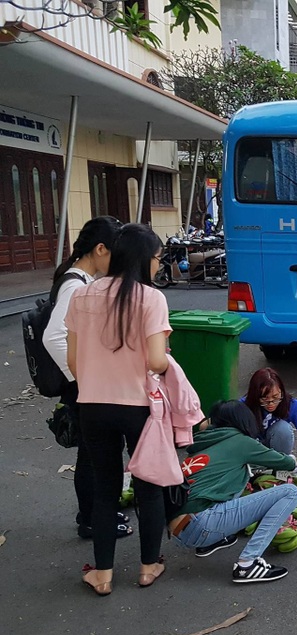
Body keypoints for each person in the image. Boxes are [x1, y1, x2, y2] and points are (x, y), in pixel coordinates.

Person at [66, 223, 172, 596]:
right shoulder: (151, 299)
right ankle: (148, 567)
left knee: (105, 489)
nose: (159, 265)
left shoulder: (83, 295)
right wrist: (165, 362)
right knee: (149, 487)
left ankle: (103, 574)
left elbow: (74, 362)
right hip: (138, 407)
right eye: (158, 258)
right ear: (144, 259)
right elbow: (156, 361)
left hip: (92, 407)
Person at [42, 216, 130, 540]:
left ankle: (94, 513)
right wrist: (82, 378)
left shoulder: (80, 279)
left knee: (93, 453)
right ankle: (92, 519)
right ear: (100, 249)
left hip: (85, 383)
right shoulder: (75, 285)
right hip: (84, 385)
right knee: (95, 455)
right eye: (115, 255)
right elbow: (53, 336)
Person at [168, 401, 297, 583]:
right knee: (291, 492)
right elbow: (286, 463)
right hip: (202, 525)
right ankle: (248, 564)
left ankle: (212, 543)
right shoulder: (240, 441)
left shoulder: (203, 442)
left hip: (178, 530)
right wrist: (296, 461)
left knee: (237, 473)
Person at [242, 368, 297, 471]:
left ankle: (280, 466)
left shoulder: (291, 404)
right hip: (253, 451)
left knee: (283, 428)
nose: (271, 404)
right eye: (265, 399)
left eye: (275, 397)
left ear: (282, 392)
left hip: (277, 448)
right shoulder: (243, 407)